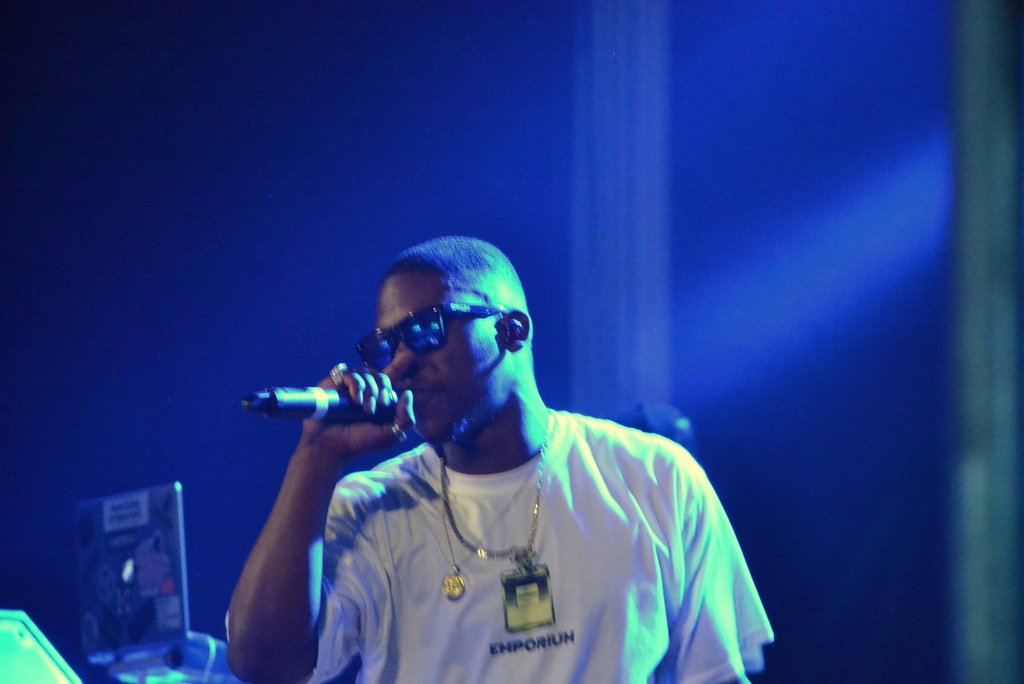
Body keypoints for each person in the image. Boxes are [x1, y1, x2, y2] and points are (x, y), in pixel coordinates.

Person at [227, 236, 773, 684]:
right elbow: (260, 666)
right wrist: (316, 457)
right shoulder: (369, 504)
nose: (399, 365)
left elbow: (714, 675)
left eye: (425, 330)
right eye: (386, 346)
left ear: (512, 330)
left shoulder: (655, 476)